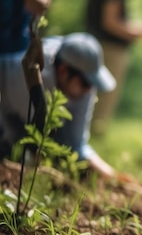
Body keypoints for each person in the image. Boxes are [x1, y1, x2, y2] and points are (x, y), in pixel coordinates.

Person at [0, 32, 131, 181]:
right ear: (63, 71)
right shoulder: (32, 79)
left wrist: (113, 176)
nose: (89, 91)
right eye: (86, 83)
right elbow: (35, 143)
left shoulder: (79, 84)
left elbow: (75, 143)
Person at [85, 0, 142, 137]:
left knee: (86, 97)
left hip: (92, 42)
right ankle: (91, 146)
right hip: (110, 49)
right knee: (103, 103)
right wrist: (135, 33)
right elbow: (110, 21)